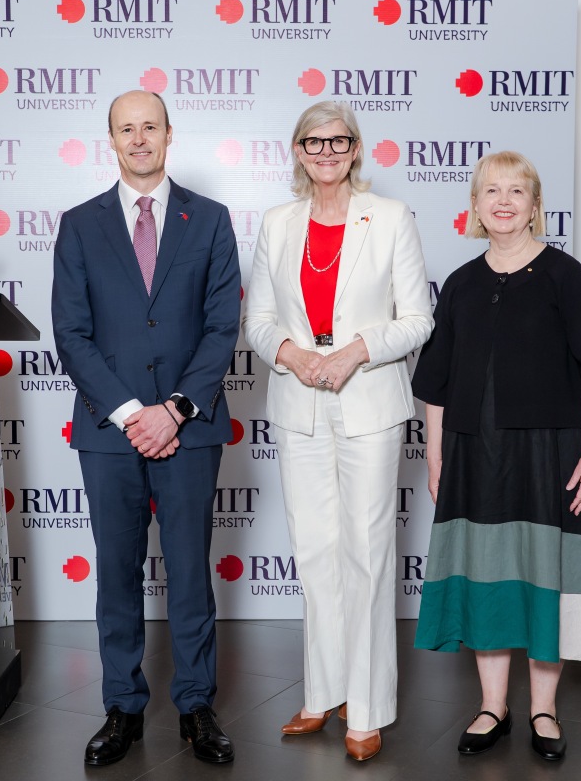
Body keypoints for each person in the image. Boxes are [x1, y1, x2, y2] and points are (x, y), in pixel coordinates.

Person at [411, 151, 581, 762]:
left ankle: (543, 708)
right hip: (475, 455)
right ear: (476, 206)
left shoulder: (566, 276)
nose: (504, 201)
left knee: (546, 579)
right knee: (488, 579)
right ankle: (493, 706)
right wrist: (434, 456)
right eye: (492, 191)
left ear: (536, 206)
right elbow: (434, 384)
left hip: (552, 455)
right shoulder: (459, 283)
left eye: (517, 191)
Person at [52, 90, 241, 767]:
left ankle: (195, 708)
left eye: (150, 127)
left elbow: (223, 326)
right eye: (126, 129)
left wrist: (176, 409)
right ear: (111, 140)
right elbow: (71, 335)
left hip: (190, 428)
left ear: (169, 135)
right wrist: (135, 413)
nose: (139, 139)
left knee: (190, 572)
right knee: (116, 573)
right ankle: (121, 709)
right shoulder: (78, 225)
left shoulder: (211, 219)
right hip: (110, 431)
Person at [243, 101, 433, 762]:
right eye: (312, 141)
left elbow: (417, 320)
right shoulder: (278, 222)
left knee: (369, 552)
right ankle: (322, 694)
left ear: (355, 149)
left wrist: (354, 351)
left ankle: (369, 706)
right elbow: (260, 321)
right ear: (297, 150)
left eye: (338, 140)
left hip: (369, 399)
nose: (325, 151)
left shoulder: (391, 218)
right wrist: (295, 357)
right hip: (299, 401)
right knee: (315, 551)